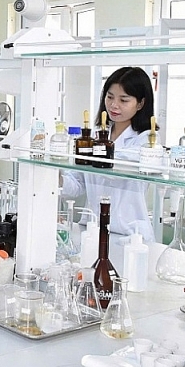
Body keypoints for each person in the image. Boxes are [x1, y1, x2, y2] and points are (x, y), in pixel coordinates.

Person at [61, 66, 157, 242]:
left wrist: (92, 150)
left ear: (141, 103)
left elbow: (115, 170)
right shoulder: (95, 135)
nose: (114, 105)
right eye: (110, 97)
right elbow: (76, 185)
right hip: (92, 228)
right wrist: (56, 175)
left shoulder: (146, 140)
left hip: (130, 235)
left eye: (124, 100)